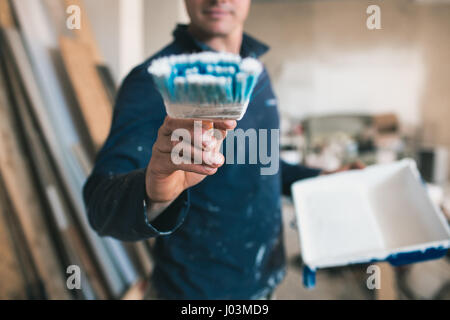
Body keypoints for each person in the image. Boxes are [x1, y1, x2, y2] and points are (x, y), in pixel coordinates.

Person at [83, 0, 362, 299]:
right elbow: (101, 207)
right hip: (194, 294)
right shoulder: (158, 82)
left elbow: (259, 161)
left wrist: (322, 177)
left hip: (264, 284)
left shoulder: (253, 70)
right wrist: (155, 192)